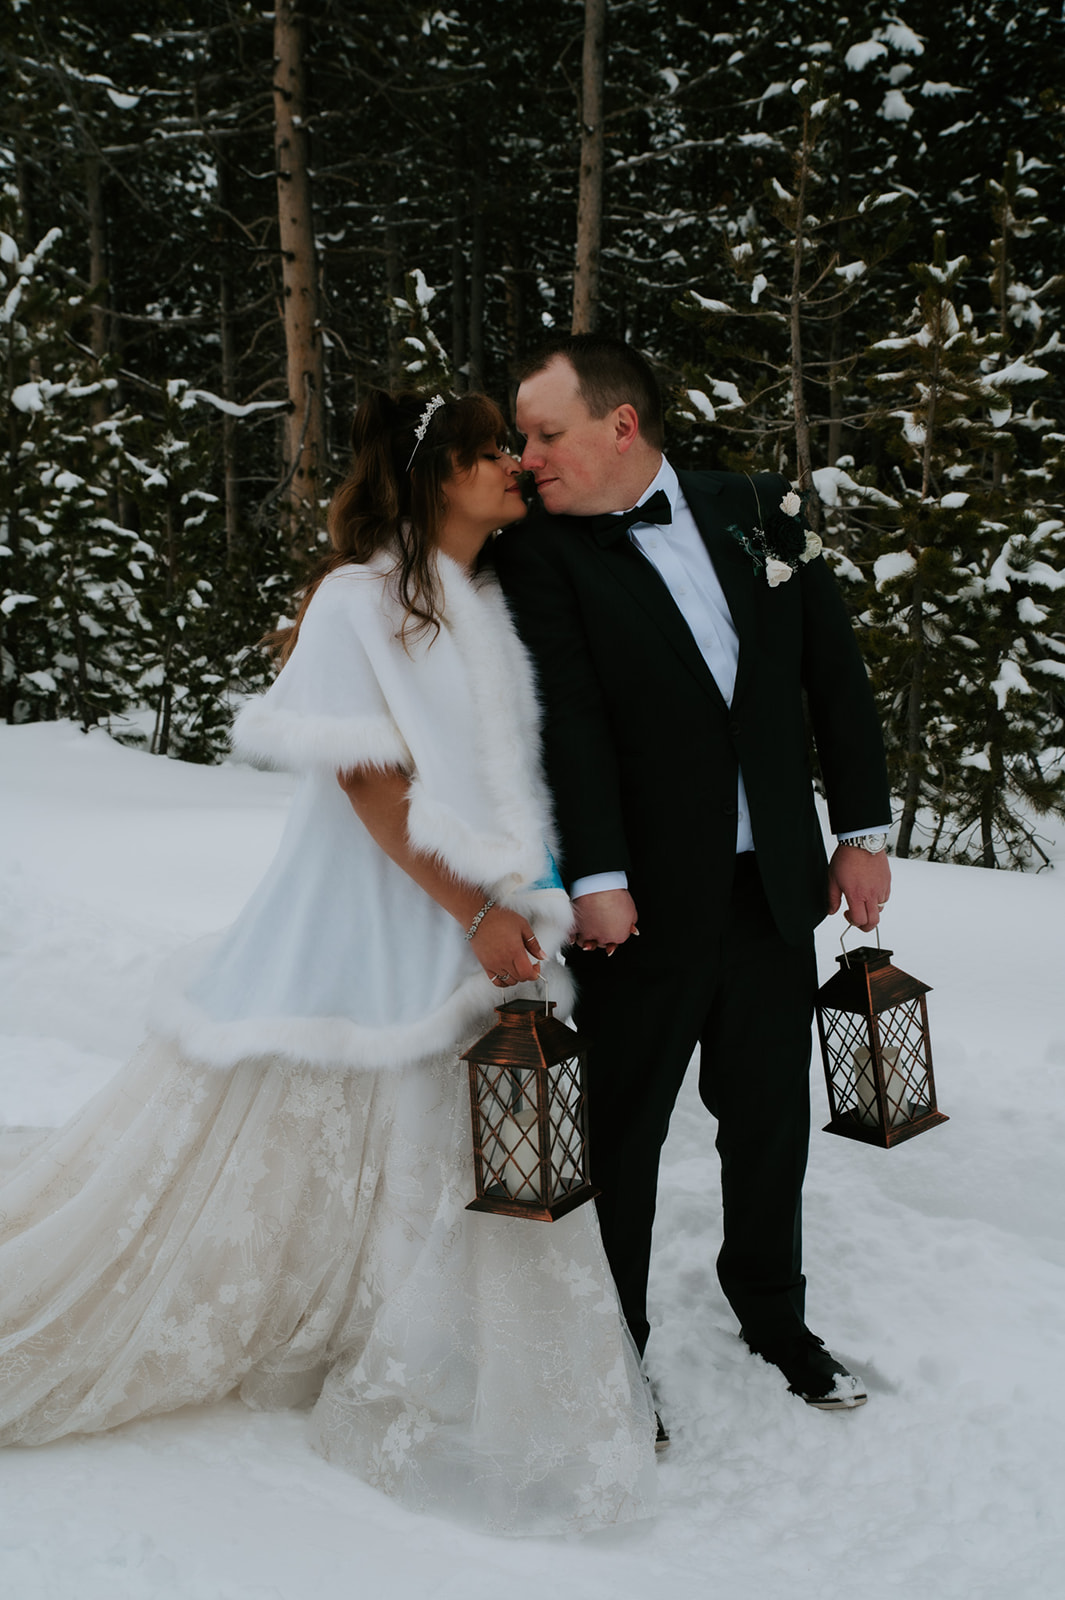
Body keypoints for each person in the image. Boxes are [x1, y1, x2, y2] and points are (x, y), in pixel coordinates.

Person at [0, 388, 658, 1535]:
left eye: (517, 445)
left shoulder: (491, 598)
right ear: (432, 473)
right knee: (319, 1106)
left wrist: (538, 893)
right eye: (490, 450)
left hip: (483, 911)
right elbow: (369, 781)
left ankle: (385, 1318)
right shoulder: (357, 602)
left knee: (432, 1128)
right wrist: (470, 908)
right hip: (385, 907)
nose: (514, 463)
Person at [493, 334, 892, 1415]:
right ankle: (612, 1345)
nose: (526, 456)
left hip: (775, 889)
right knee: (623, 1129)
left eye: (545, 433)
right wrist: (598, 877)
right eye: (522, 437)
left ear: (620, 425)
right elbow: (565, 721)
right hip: (640, 903)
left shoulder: (763, 507)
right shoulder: (539, 550)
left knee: (768, 1118)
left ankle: (773, 1311)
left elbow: (833, 678)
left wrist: (861, 829)